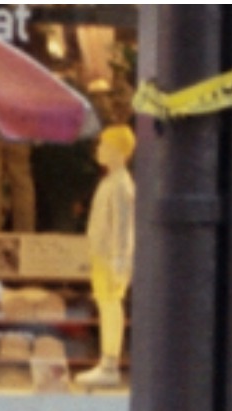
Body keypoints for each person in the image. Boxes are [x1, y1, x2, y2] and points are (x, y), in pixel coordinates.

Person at [76, 125, 135, 389]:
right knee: (106, 306)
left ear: (119, 152)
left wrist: (120, 264)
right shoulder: (111, 182)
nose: (99, 150)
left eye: (105, 146)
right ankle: (106, 360)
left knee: (111, 307)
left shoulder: (121, 186)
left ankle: (110, 362)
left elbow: (123, 230)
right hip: (104, 258)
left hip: (111, 260)